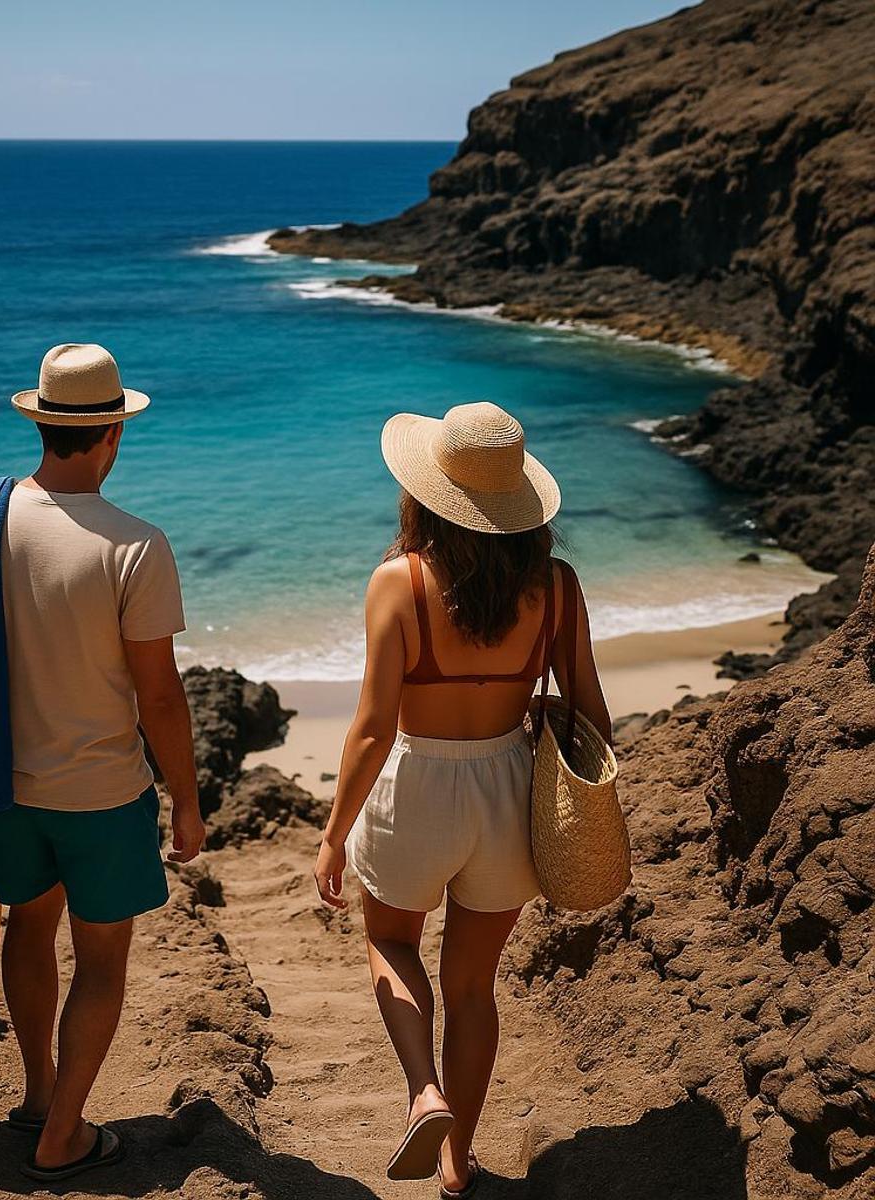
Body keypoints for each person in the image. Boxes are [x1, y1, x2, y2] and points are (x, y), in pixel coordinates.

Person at [0, 343, 204, 1183]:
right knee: (101, 963)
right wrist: (185, 798)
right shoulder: (136, 545)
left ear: (40, 424)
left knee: (28, 929)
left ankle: (37, 1095)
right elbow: (160, 698)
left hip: (3, 787)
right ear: (113, 433)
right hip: (103, 797)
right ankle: (63, 1134)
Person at [313, 402, 611, 1197]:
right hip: (506, 789)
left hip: (416, 785)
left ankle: (424, 1092)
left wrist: (335, 833)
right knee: (473, 988)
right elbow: (591, 710)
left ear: (426, 494)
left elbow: (372, 729)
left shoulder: (400, 582)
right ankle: (456, 1164)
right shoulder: (557, 587)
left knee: (391, 942)